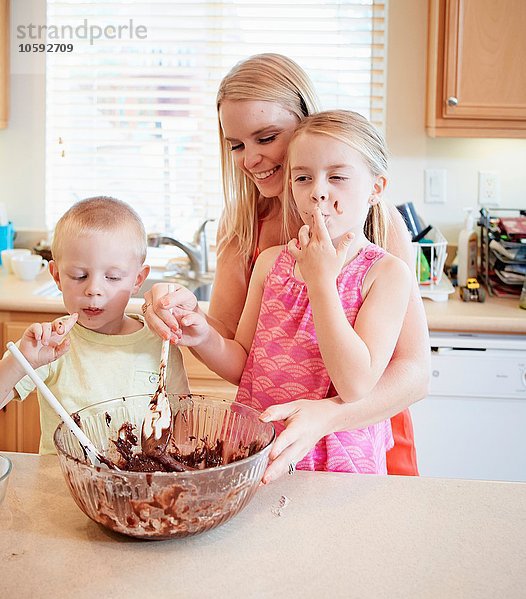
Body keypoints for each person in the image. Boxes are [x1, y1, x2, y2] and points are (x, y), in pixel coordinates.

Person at [142, 54, 430, 481]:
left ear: (306, 124)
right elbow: (239, 345)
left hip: (357, 429)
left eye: (267, 137)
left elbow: (413, 373)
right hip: (271, 440)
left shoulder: (375, 227)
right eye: (237, 145)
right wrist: (180, 311)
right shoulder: (244, 226)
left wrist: (326, 417)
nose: (250, 159)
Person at [0, 197, 189, 454]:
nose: (94, 290)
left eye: (112, 277)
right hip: (62, 487)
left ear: (138, 280)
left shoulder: (160, 346)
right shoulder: (52, 346)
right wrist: (23, 360)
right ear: (56, 276)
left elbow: (183, 429)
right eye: (79, 276)